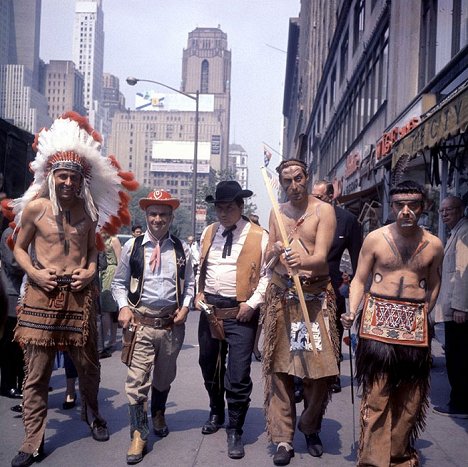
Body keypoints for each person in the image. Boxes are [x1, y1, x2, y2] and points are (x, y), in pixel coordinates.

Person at [7, 112, 137, 467]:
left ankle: (92, 414)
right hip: (40, 294)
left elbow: (94, 249)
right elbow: (18, 247)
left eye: (73, 177)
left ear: (82, 181)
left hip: (80, 296)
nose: (67, 182)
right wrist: (35, 273)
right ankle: (33, 439)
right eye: (62, 176)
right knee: (36, 372)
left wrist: (91, 271)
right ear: (52, 176)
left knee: (88, 366)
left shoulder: (88, 211)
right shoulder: (36, 209)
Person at [341, 180, 444, 466]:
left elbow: (434, 283)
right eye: (400, 205)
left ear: (423, 207)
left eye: (413, 205)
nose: (406, 211)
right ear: (392, 206)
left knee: (411, 400)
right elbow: (359, 280)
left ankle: (398, 455)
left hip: (414, 327)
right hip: (376, 322)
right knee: (377, 395)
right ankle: (373, 459)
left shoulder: (434, 244)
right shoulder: (375, 239)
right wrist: (352, 310)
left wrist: (426, 312)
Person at [263, 159, 338, 465]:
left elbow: (320, 258)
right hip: (282, 298)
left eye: (298, 179)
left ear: (307, 178)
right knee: (280, 369)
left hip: (314, 299)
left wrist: (301, 262)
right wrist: (277, 250)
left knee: (317, 370)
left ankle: (310, 426)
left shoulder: (323, 211)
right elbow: (268, 252)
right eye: (286, 181)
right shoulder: (276, 211)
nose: (293, 186)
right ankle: (283, 438)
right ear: (280, 183)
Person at [112, 189, 194, 465]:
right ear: (145, 215)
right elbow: (119, 283)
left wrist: (185, 307)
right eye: (153, 214)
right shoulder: (132, 247)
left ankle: (158, 412)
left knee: (164, 376)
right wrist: (123, 307)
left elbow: (190, 283)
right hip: (140, 323)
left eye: (163, 214)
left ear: (171, 217)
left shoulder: (181, 249)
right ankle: (138, 433)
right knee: (136, 382)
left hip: (171, 325)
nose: (157, 219)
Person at [194, 180, 269, 460]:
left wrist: (251, 304)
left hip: (241, 313)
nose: (223, 214)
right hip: (210, 311)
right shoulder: (209, 232)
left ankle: (235, 428)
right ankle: (216, 410)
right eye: (219, 209)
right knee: (208, 364)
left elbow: (267, 276)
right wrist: (198, 294)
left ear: (241, 207)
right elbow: (199, 268)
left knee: (237, 374)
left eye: (228, 208)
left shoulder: (259, 235)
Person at [311, 179, 362, 392]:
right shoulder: (306, 217)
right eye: (313, 197)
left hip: (335, 284)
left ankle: (333, 374)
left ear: (331, 196)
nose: (315, 201)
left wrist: (359, 286)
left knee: (334, 330)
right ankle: (306, 375)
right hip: (307, 283)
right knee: (308, 329)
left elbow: (359, 258)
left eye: (320, 198)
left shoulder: (347, 220)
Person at [433, 195, 468, 418]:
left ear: (461, 210)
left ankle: (460, 404)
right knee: (456, 354)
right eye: (442, 211)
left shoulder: (464, 233)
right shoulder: (456, 231)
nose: (445, 214)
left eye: (450, 210)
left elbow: (464, 273)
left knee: (459, 357)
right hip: (453, 307)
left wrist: (460, 307)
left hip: (459, 310)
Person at [0, 227, 25, 400]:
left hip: (21, 293)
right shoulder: (10, 233)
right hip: (11, 293)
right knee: (9, 344)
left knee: (21, 346)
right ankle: (7, 384)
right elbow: (13, 263)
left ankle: (22, 382)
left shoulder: (24, 230)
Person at [100, 233, 122, 351]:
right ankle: (111, 338)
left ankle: (107, 339)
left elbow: (119, 261)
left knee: (107, 308)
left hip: (111, 272)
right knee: (110, 309)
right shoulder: (98, 238)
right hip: (101, 273)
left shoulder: (113, 239)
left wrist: (117, 279)